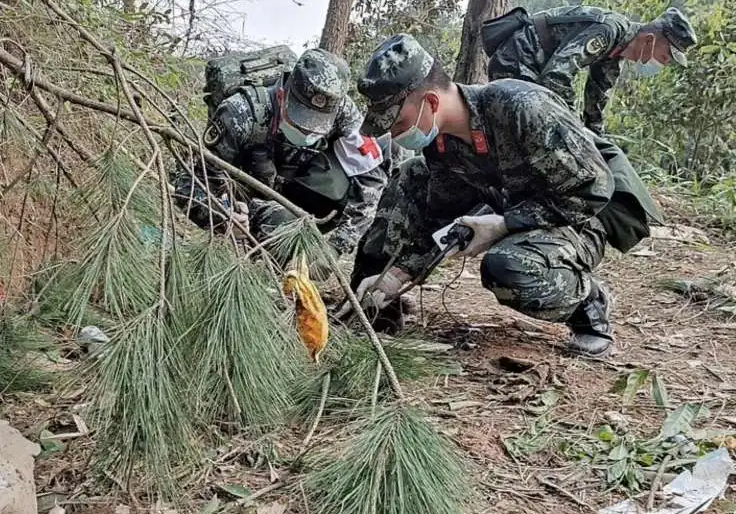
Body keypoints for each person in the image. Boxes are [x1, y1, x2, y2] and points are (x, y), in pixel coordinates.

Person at [347, 34, 663, 356]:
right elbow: (442, 217)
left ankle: (589, 304)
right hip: (514, 206)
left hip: (581, 216)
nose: (396, 135)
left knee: (507, 268)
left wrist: (504, 225)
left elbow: (593, 190)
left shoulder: (521, 107)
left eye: (398, 123)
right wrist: (399, 274)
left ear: (431, 102)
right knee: (411, 174)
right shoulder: (441, 145)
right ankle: (374, 303)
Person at [172, 48, 388, 266]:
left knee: (366, 170)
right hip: (247, 198)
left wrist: (337, 246)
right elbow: (188, 184)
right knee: (280, 221)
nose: (307, 133)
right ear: (282, 96)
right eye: (300, 122)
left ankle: (299, 248)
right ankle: (261, 266)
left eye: (317, 127)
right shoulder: (240, 113)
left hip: (299, 190)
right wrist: (223, 217)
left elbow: (372, 180)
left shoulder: (345, 114)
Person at [481, 6, 697, 134]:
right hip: (518, 59)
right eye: (665, 56)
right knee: (523, 132)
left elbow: (596, 103)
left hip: (535, 69)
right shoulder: (609, 31)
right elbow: (556, 76)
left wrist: (596, 142)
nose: (664, 63)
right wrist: (573, 126)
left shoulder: (615, 54)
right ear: (650, 39)